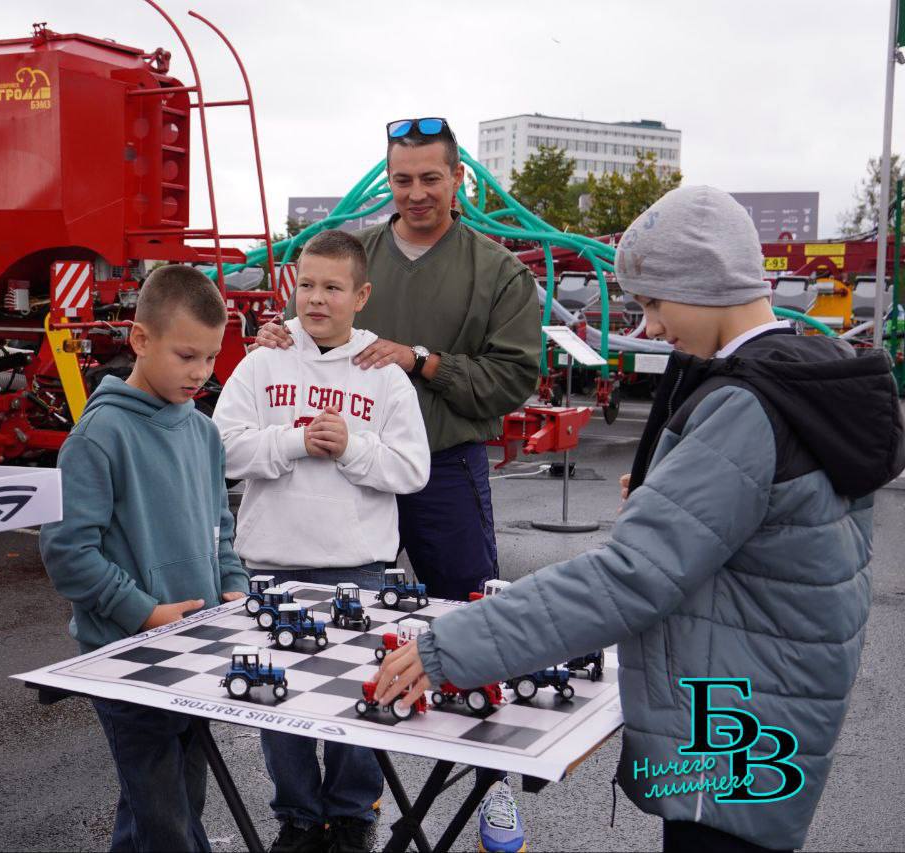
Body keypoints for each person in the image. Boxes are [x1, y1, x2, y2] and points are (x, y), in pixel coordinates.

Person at [374, 185, 905, 853]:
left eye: (652, 302)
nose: (648, 327)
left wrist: (447, 645)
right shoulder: (807, 374)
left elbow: (629, 577)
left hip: (731, 731)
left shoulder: (745, 409)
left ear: (704, 282)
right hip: (773, 706)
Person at [255, 117, 540, 601]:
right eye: (402, 180)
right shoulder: (348, 257)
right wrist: (277, 338)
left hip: (442, 467)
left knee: (461, 606)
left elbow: (513, 379)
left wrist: (422, 361)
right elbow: (299, 336)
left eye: (430, 178)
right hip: (344, 469)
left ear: (457, 180)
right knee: (336, 610)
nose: (416, 193)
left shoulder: (498, 272)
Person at [213, 230, 430, 853]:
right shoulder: (263, 360)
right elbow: (220, 448)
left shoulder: (383, 375)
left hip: (357, 568)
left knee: (360, 700)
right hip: (272, 565)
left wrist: (352, 450)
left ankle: (353, 813)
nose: (316, 299)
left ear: (360, 295)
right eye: (306, 284)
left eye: (332, 287)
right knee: (276, 703)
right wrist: (291, 442)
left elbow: (413, 470)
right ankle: (299, 816)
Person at [40, 263, 250, 852]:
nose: (201, 373)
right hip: (125, 657)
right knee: (168, 821)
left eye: (210, 358)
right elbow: (66, 552)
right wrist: (142, 612)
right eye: (187, 356)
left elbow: (221, 531)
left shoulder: (205, 434)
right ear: (139, 339)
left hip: (196, 647)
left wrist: (233, 585)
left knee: (170, 805)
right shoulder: (97, 436)